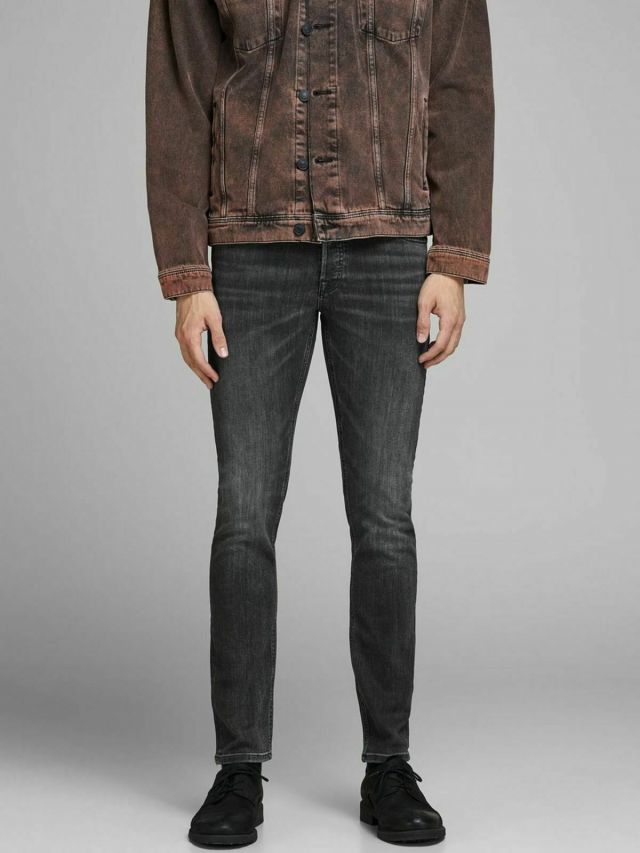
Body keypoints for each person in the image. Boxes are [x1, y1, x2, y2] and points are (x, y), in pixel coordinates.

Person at [145, 0, 494, 846]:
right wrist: (188, 274)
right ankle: (238, 767)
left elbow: (460, 80)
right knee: (243, 515)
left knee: (384, 519)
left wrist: (453, 258)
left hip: (390, 247)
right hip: (251, 248)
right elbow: (179, 90)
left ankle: (389, 766)